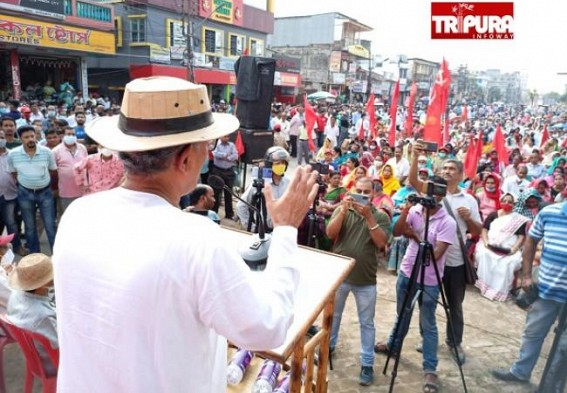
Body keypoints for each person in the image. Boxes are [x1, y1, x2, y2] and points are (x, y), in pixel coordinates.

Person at [53, 77, 319, 393]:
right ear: (185, 160)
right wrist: (286, 229)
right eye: (204, 147)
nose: (207, 156)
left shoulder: (78, 215)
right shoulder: (197, 241)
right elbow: (268, 329)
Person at [375, 176, 456, 393]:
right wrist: (405, 211)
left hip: (430, 279)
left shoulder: (448, 222)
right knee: (402, 313)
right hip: (408, 271)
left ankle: (430, 369)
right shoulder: (415, 211)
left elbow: (437, 254)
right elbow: (398, 232)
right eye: (429, 191)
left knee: (428, 323)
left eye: (438, 192)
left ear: (443, 195)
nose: (432, 196)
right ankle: (393, 344)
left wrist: (417, 235)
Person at [408, 143, 482, 364]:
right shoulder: (433, 190)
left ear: (461, 175)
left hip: (454, 262)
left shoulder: (469, 200)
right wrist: (415, 156)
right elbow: (413, 182)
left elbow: (477, 231)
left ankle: (454, 343)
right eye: (445, 168)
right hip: (431, 261)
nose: (447, 171)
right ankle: (425, 337)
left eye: (452, 169)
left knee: (454, 305)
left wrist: (468, 218)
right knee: (426, 301)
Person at [492, 201, 567, 384]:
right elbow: (531, 240)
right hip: (545, 289)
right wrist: (526, 275)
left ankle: (550, 386)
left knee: (564, 347)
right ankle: (520, 372)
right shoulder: (549, 213)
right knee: (533, 333)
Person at [326, 177, 391, 386]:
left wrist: (369, 218)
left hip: (366, 280)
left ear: (373, 194)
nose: (362, 196)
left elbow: (381, 243)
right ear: (352, 191)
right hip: (340, 275)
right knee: (333, 316)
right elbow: (330, 234)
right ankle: (329, 347)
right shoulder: (343, 210)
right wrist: (343, 210)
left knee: (367, 323)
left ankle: (367, 363)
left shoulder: (380, 216)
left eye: (366, 192)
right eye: (359, 191)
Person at [8, 126, 57, 254]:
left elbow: (52, 170)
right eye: (26, 137)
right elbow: (13, 173)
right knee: (29, 227)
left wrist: (40, 181)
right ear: (20, 139)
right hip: (24, 193)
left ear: (36, 136)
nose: (30, 139)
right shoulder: (13, 154)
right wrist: (27, 183)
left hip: (45, 192)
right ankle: (35, 255)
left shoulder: (47, 152)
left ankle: (56, 255)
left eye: (32, 136)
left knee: (50, 225)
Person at [474, 193, 529, 301]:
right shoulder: (493, 215)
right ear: (500, 201)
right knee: (484, 255)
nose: (507, 203)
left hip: (509, 247)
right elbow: (484, 229)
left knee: (510, 262)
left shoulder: (518, 220)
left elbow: (521, 236)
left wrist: (514, 248)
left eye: (510, 202)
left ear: (514, 204)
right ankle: (484, 286)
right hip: (490, 244)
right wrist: (485, 242)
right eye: (504, 201)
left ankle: (500, 291)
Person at [7, 253, 57, 363]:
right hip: (52, 360)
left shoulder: (15, 294)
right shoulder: (44, 315)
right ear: (42, 284)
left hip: (34, 352)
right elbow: (60, 344)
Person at [236, 146, 292, 231]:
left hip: (281, 231)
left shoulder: (289, 183)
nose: (281, 166)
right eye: (277, 163)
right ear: (270, 164)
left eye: (283, 163)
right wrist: (251, 227)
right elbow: (241, 206)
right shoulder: (259, 184)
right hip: (262, 231)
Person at [52, 126, 88, 214]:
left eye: (73, 134)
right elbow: (53, 172)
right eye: (68, 134)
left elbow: (87, 165)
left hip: (83, 191)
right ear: (62, 136)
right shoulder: (55, 151)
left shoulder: (82, 148)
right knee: (67, 216)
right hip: (66, 192)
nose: (71, 136)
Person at [0, 131, 23, 255]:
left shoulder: (12, 155)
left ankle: (17, 247)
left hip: (10, 194)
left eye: (2, 137)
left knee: (11, 222)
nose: (0, 139)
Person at [210, 135, 238, 219]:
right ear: (221, 137)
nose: (226, 138)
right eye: (225, 137)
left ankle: (229, 214)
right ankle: (214, 214)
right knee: (216, 193)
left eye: (228, 137)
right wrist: (225, 155)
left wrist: (227, 157)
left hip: (229, 171)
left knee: (228, 193)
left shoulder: (232, 145)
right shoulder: (216, 145)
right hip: (218, 171)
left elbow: (235, 156)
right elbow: (215, 154)